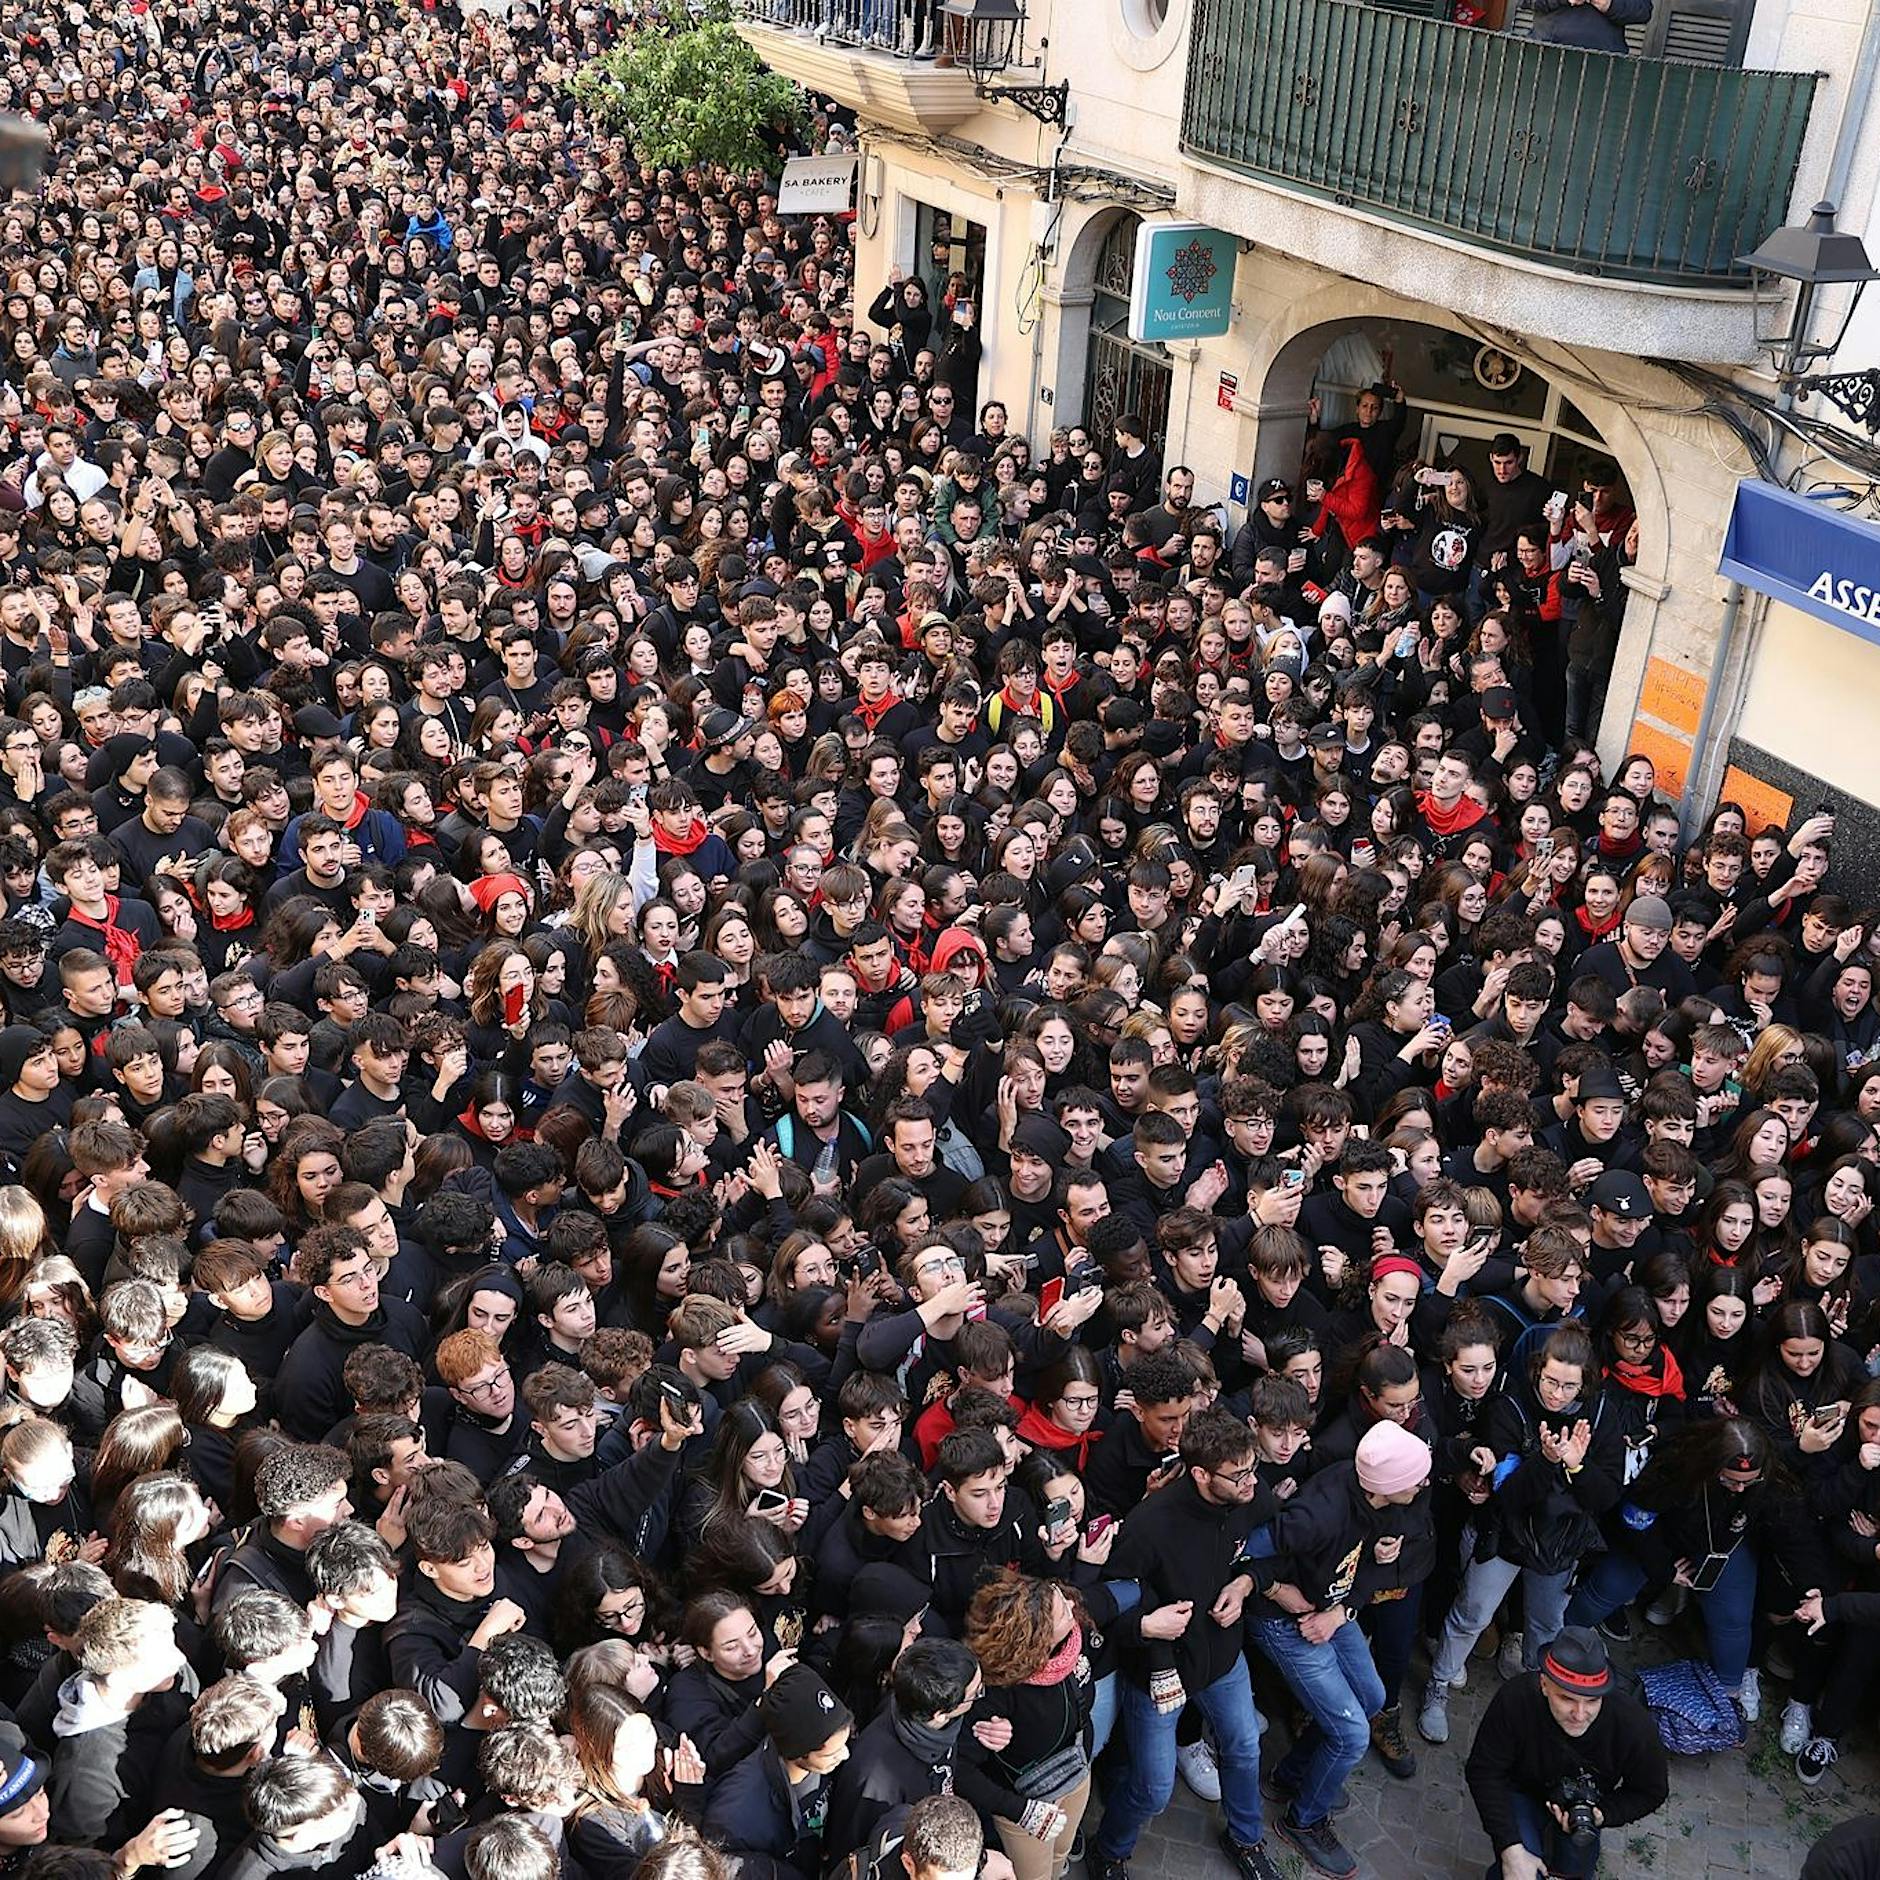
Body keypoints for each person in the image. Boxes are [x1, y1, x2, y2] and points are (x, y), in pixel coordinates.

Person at [1463, 1627, 1669, 1879]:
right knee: (1518, 1872)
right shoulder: (1515, 1699)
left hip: (1586, 1805)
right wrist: (1510, 1849)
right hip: (1521, 1790)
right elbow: (1484, 1771)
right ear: (1544, 1684)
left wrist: (1602, 1813)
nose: (1580, 1714)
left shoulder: (1632, 1723)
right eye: (1567, 1699)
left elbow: (1652, 1790)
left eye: (1592, 1700)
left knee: (1575, 1870)